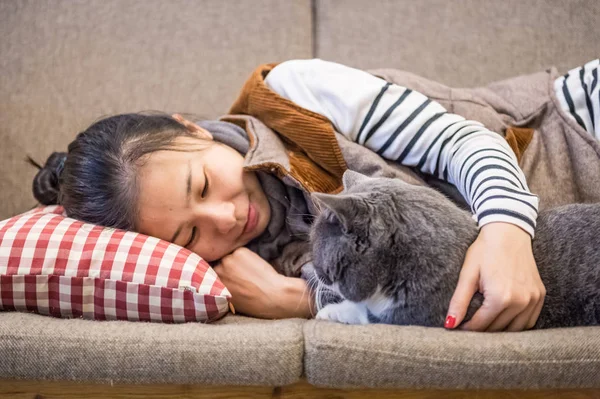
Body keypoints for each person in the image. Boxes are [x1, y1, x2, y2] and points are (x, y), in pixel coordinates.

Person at [31, 58, 600, 332]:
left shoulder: (291, 92)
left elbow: (459, 142)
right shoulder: (245, 267)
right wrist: (295, 299)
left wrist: (505, 228)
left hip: (576, 129)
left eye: (202, 183)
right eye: (189, 234)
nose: (226, 218)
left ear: (193, 130)